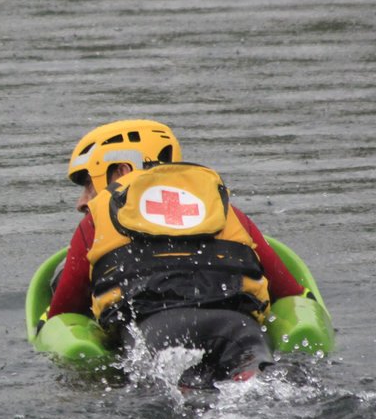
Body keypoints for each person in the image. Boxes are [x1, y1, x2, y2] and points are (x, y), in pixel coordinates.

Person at [45, 119, 308, 388]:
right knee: (263, 388)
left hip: (159, 335)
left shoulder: (95, 222)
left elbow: (65, 312)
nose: (82, 202)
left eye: (89, 184)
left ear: (122, 170)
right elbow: (289, 293)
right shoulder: (225, 209)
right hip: (238, 330)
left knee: (177, 407)